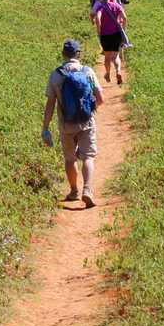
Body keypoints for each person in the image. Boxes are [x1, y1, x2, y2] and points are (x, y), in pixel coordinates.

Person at [42, 38, 104, 207]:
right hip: (86, 122)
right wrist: (89, 109)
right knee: (88, 157)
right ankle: (88, 190)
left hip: (66, 124)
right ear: (79, 54)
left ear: (63, 54)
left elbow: (50, 104)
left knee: (70, 159)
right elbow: (100, 99)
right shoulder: (87, 71)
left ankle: (74, 191)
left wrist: (45, 128)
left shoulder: (55, 75)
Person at [91, 0, 127, 85]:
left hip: (105, 35)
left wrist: (99, 30)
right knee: (116, 57)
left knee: (107, 57)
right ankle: (118, 71)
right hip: (116, 34)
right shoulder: (116, 5)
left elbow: (98, 18)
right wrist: (123, 28)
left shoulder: (100, 7)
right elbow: (125, 18)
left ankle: (107, 73)